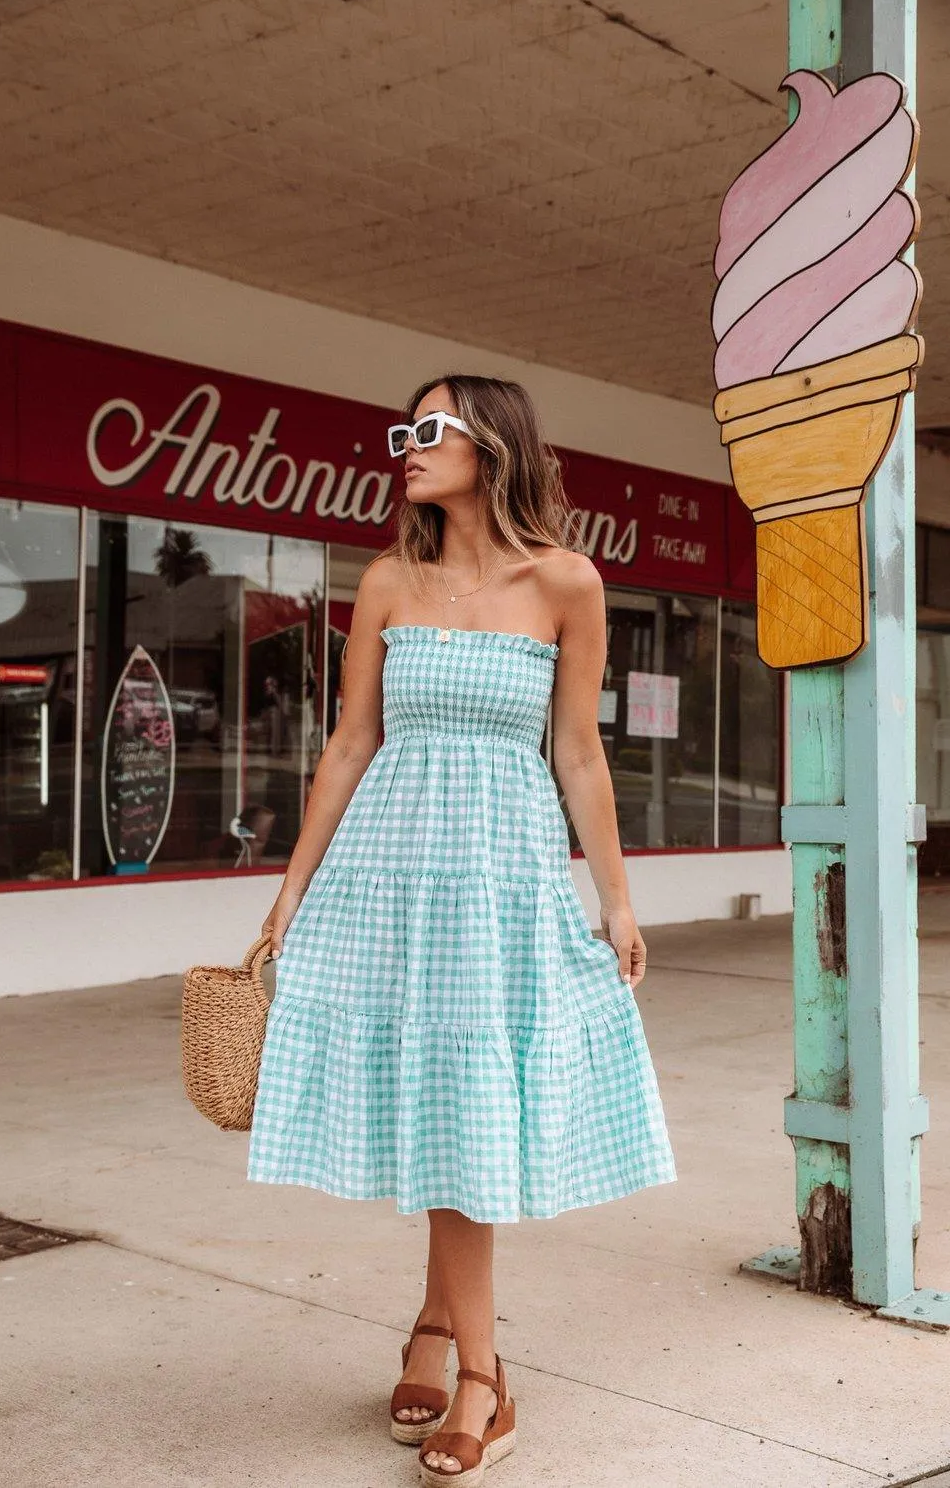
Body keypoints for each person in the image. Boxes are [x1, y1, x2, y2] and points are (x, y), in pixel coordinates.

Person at [247, 375, 677, 1484]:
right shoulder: (389, 579)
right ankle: (458, 1350)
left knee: (466, 1107)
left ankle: (467, 1363)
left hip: (500, 884)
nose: (405, 448)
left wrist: (617, 901)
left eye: (428, 431)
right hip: (393, 877)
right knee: (437, 1105)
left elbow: (578, 753)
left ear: (492, 446)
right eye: (405, 431)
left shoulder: (565, 583)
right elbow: (348, 744)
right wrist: (290, 893)